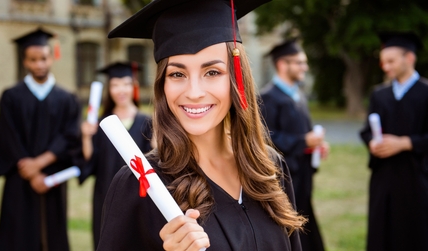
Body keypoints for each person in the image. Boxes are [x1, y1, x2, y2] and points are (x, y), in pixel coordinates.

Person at [97, 0, 306, 250]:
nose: (194, 92)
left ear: (237, 79)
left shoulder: (269, 168)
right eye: (177, 74)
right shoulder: (141, 185)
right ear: (163, 86)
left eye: (212, 72)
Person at [0, 28, 81, 251]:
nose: (39, 64)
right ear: (25, 61)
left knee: (52, 233)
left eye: (43, 58)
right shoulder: (11, 97)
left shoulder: (67, 98)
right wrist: (30, 170)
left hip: (52, 176)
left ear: (51, 58)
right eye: (33, 60)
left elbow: (71, 136)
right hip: (20, 177)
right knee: (18, 233)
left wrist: (39, 164)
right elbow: (8, 136)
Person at [359, 32, 428, 251]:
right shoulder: (380, 94)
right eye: (383, 61)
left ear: (409, 58)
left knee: (416, 232)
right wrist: (372, 142)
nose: (385, 66)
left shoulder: (426, 93)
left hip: (417, 177)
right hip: (384, 177)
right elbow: (366, 131)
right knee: (382, 232)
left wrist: (405, 143)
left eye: (391, 61)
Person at [259, 40, 327, 251]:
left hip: (303, 172)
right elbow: (264, 136)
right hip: (283, 176)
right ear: (282, 64)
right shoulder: (267, 97)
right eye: (299, 62)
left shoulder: (298, 95)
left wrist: (316, 145)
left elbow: (302, 132)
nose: (304, 67)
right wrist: (302, 142)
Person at [79, 62, 153, 249]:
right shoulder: (101, 124)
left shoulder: (147, 122)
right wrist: (87, 137)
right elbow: (91, 162)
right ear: (109, 89)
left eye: (126, 84)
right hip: (106, 193)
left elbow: (153, 162)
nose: (121, 90)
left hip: (138, 196)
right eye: (115, 85)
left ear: (133, 86)